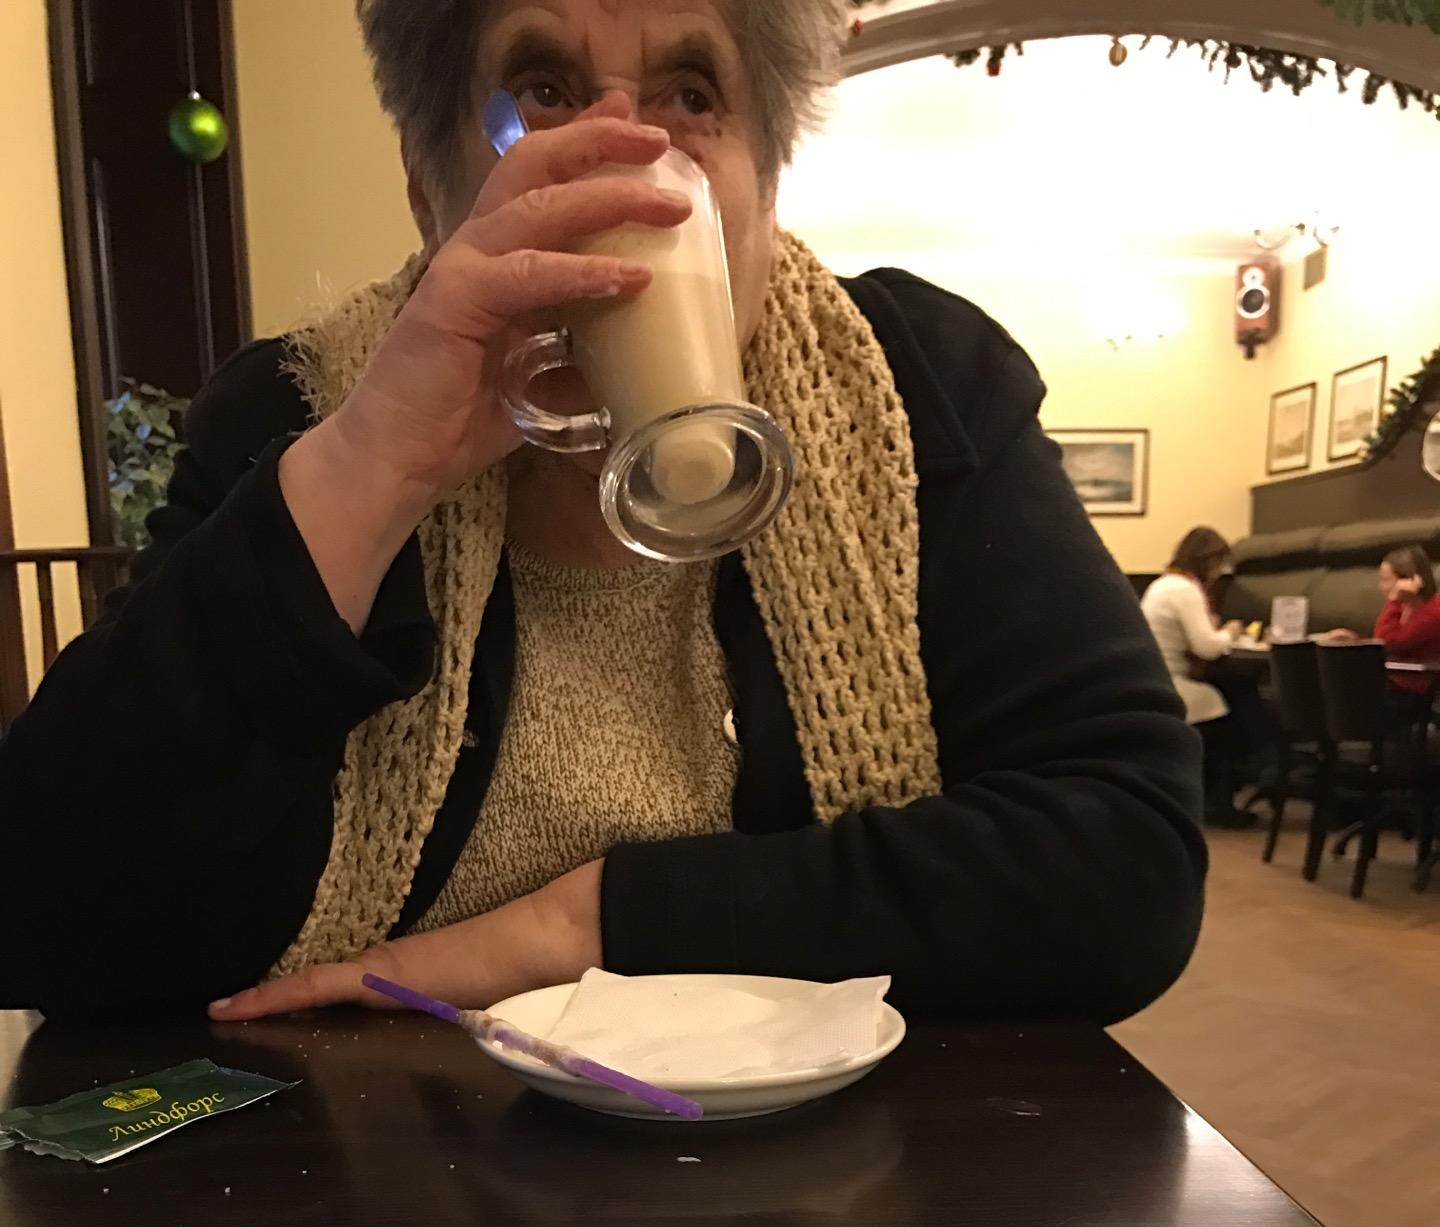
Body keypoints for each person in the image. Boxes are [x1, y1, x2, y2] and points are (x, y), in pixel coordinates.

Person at [0, 0, 1204, 1025]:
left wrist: (588, 923)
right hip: (381, 1166)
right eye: (543, 93)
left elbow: (1125, 863)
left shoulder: (916, 390)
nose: (627, 166)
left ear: (766, 187)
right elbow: (44, 916)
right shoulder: (296, 413)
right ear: (429, 191)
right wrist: (372, 467)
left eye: (692, 95)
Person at [1141, 528, 1261, 828]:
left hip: (1153, 680)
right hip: (1174, 685)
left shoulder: (1162, 585)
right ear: (1206, 560)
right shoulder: (1185, 590)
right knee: (1237, 713)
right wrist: (1230, 632)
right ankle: (1220, 804)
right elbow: (1207, 647)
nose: (1219, 572)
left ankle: (1214, 797)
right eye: (1218, 563)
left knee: (1231, 698)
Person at [1324, 546, 1440, 704]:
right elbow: (1389, 644)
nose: (1381, 586)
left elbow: (1390, 644)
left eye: (1385, 580)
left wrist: (1393, 600)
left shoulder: (1433, 611)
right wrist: (1356, 641)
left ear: (1407, 580)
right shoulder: (1406, 608)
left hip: (1415, 693)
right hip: (1395, 685)